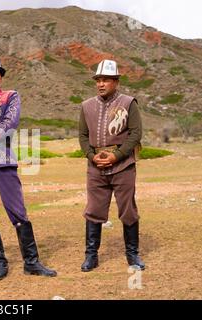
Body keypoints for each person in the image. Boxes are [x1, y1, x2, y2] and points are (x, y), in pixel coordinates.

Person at [0, 53, 57, 280]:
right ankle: (0, 262)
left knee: (17, 211)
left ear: (1, 76)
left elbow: (10, 124)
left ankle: (32, 261)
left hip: (3, 159)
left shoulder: (11, 96)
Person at [78, 59, 145, 272]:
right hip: (95, 166)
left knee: (127, 210)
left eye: (106, 79)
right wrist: (90, 155)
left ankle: (132, 254)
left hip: (123, 165)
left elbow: (135, 134)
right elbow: (82, 135)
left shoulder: (128, 102)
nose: (101, 84)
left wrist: (117, 156)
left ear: (116, 81)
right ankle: (91, 256)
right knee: (94, 210)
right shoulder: (86, 106)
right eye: (98, 79)